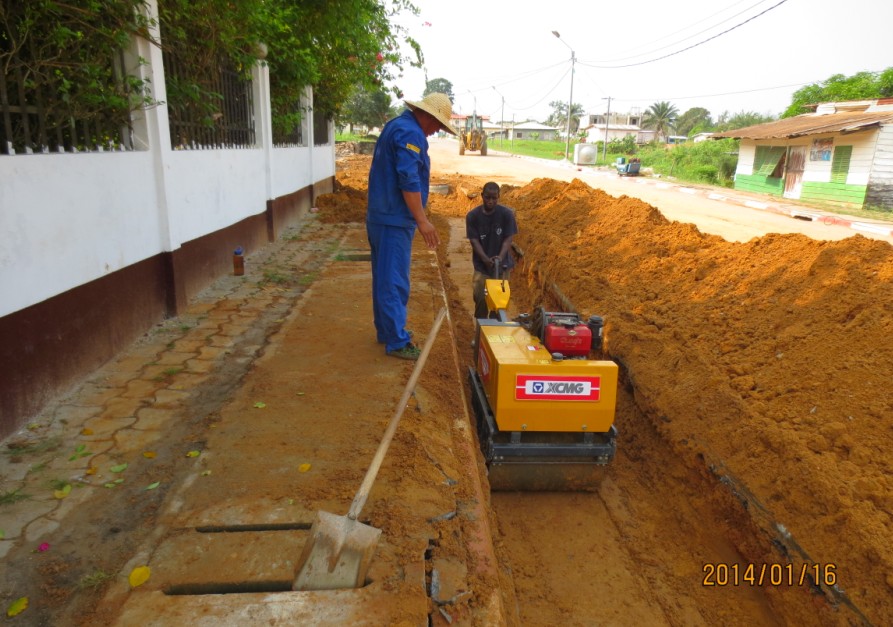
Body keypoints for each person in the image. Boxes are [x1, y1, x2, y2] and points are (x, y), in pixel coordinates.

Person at [366, 92, 457, 360]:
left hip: (382, 216)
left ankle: (387, 331)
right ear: (427, 115)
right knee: (394, 281)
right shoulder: (410, 133)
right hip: (393, 219)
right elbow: (408, 179)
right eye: (438, 124)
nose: (436, 131)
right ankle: (397, 341)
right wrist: (422, 220)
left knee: (384, 277)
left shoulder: (398, 125)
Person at [466, 182, 518, 319]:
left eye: (494, 198)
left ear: (498, 197)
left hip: (502, 266)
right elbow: (474, 241)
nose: (490, 201)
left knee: (499, 302)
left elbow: (508, 239)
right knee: (480, 298)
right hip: (482, 267)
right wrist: (485, 259)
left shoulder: (506, 215)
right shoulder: (473, 216)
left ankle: (495, 325)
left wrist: (500, 257)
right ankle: (480, 326)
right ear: (482, 195)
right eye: (487, 197)